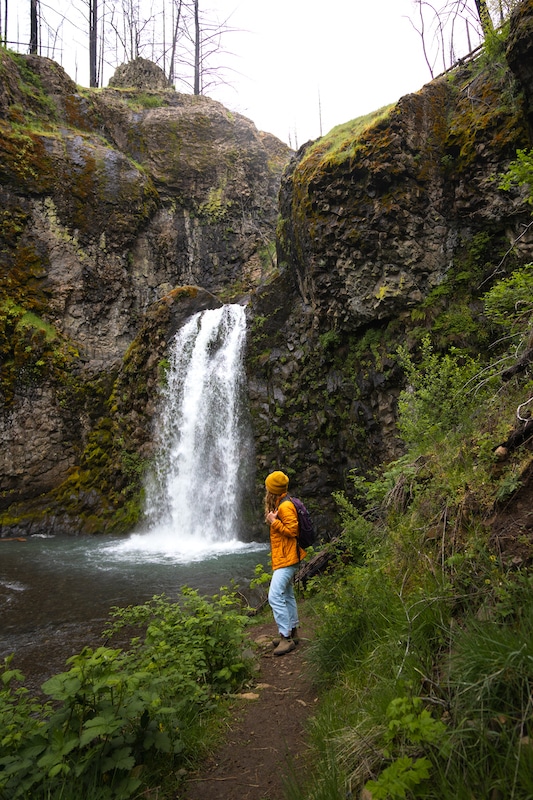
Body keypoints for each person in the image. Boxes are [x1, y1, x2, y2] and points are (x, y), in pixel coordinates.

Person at [264, 470, 306, 656]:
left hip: (288, 558)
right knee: (287, 594)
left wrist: (274, 522)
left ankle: (285, 637)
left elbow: (293, 531)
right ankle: (293, 632)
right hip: (286, 556)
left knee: (274, 596)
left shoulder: (285, 506)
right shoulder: (281, 502)